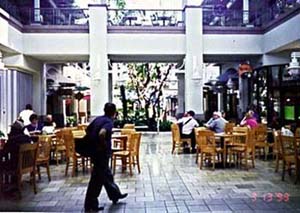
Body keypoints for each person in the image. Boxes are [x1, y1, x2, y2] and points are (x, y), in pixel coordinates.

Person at [84, 103, 127, 211]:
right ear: (114, 112)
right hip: (101, 154)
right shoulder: (108, 122)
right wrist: (102, 145)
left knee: (106, 175)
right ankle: (90, 204)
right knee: (97, 179)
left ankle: (115, 195)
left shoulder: (98, 119)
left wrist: (93, 143)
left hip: (94, 153)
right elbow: (102, 133)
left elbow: (87, 130)